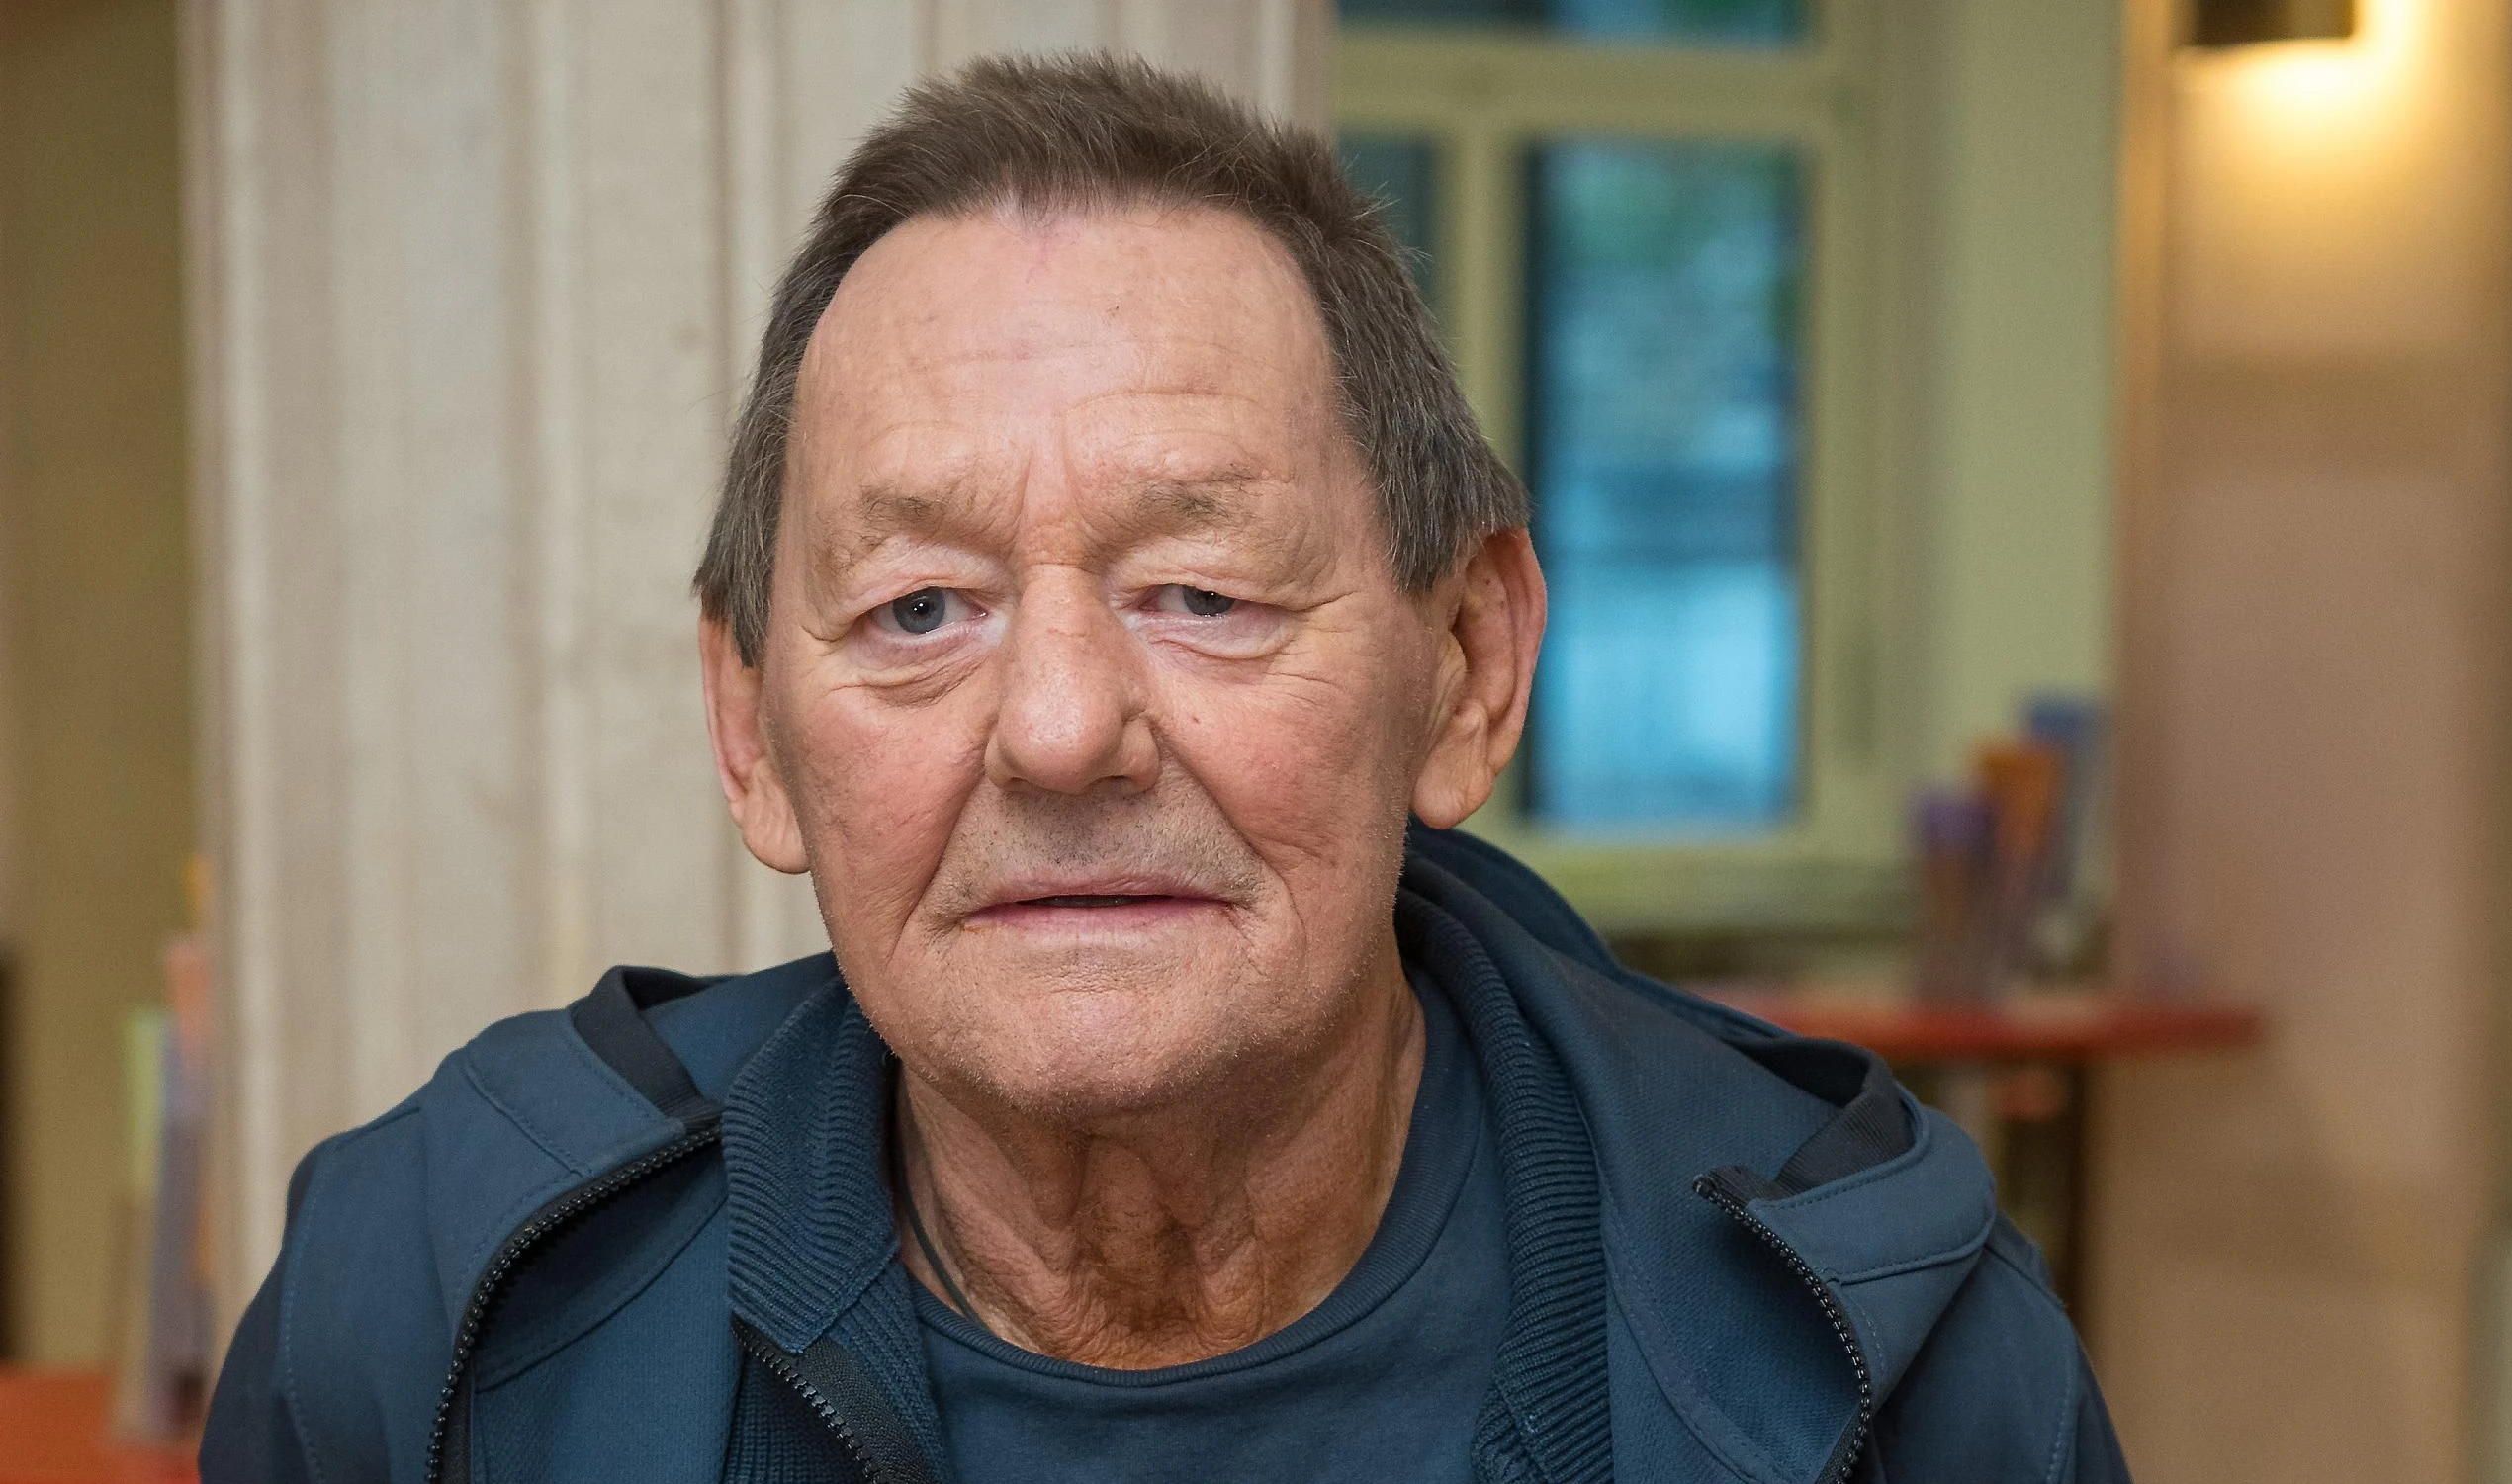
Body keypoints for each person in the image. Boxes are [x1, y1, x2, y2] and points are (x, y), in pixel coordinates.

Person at [202, 53, 2128, 1484]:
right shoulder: (445, 1312)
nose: (1056, 731)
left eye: (1197, 590)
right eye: (916, 610)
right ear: (748, 732)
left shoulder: (1868, 1351)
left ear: (1464, 667)